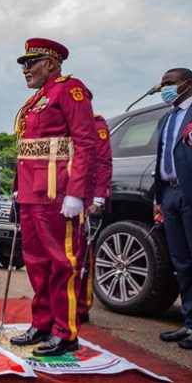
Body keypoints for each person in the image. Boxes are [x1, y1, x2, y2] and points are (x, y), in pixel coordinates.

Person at [9, 38, 97, 357]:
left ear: (52, 63)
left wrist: (77, 192)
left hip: (58, 191)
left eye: (31, 62)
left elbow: (85, 143)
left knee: (63, 261)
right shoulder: (37, 100)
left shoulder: (69, 90)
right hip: (32, 192)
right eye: (23, 64)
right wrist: (20, 186)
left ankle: (65, 331)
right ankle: (42, 323)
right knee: (35, 261)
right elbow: (29, 149)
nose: (25, 69)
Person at [153, 68, 192, 350]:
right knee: (180, 261)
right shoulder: (165, 119)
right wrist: (157, 198)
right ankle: (189, 321)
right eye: (163, 84)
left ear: (188, 84)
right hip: (168, 193)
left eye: (169, 84)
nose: (164, 88)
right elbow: (162, 157)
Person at [77, 114, 112, 323]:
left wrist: (99, 199)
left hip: (86, 199)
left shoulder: (95, 123)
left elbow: (103, 161)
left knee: (82, 256)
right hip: (62, 198)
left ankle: (80, 306)